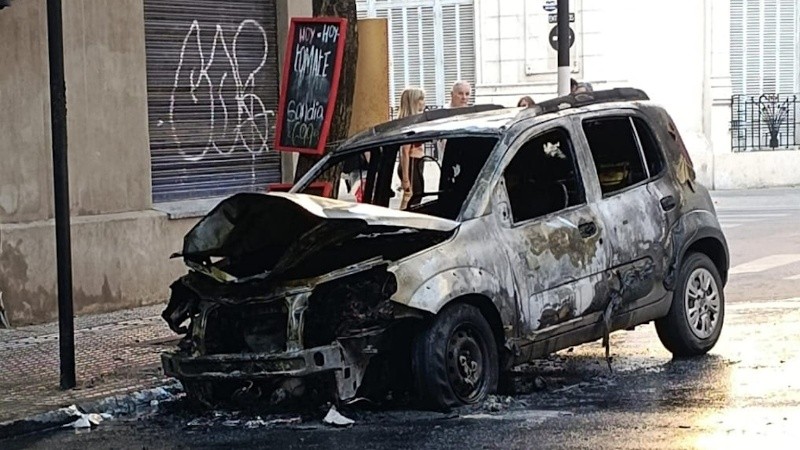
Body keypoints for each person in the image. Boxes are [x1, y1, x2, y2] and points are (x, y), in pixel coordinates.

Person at [397, 87, 426, 209]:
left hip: (416, 163)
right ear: (413, 101)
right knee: (413, 199)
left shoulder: (415, 121)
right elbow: (404, 151)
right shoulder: (409, 124)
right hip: (412, 163)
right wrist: (405, 178)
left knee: (413, 198)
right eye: (421, 99)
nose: (424, 102)